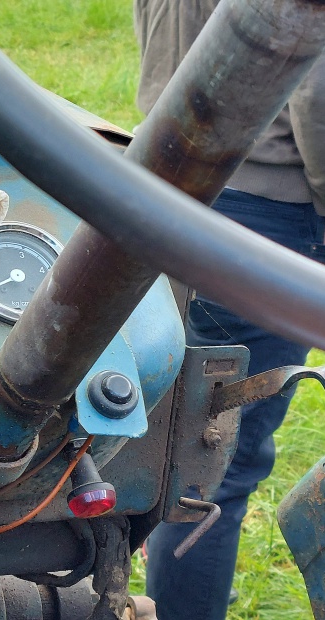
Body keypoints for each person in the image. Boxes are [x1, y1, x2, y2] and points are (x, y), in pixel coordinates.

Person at [134, 1, 325, 618]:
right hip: (262, 206)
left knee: (178, 440)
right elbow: (315, 100)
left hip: (167, 171)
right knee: (215, 462)